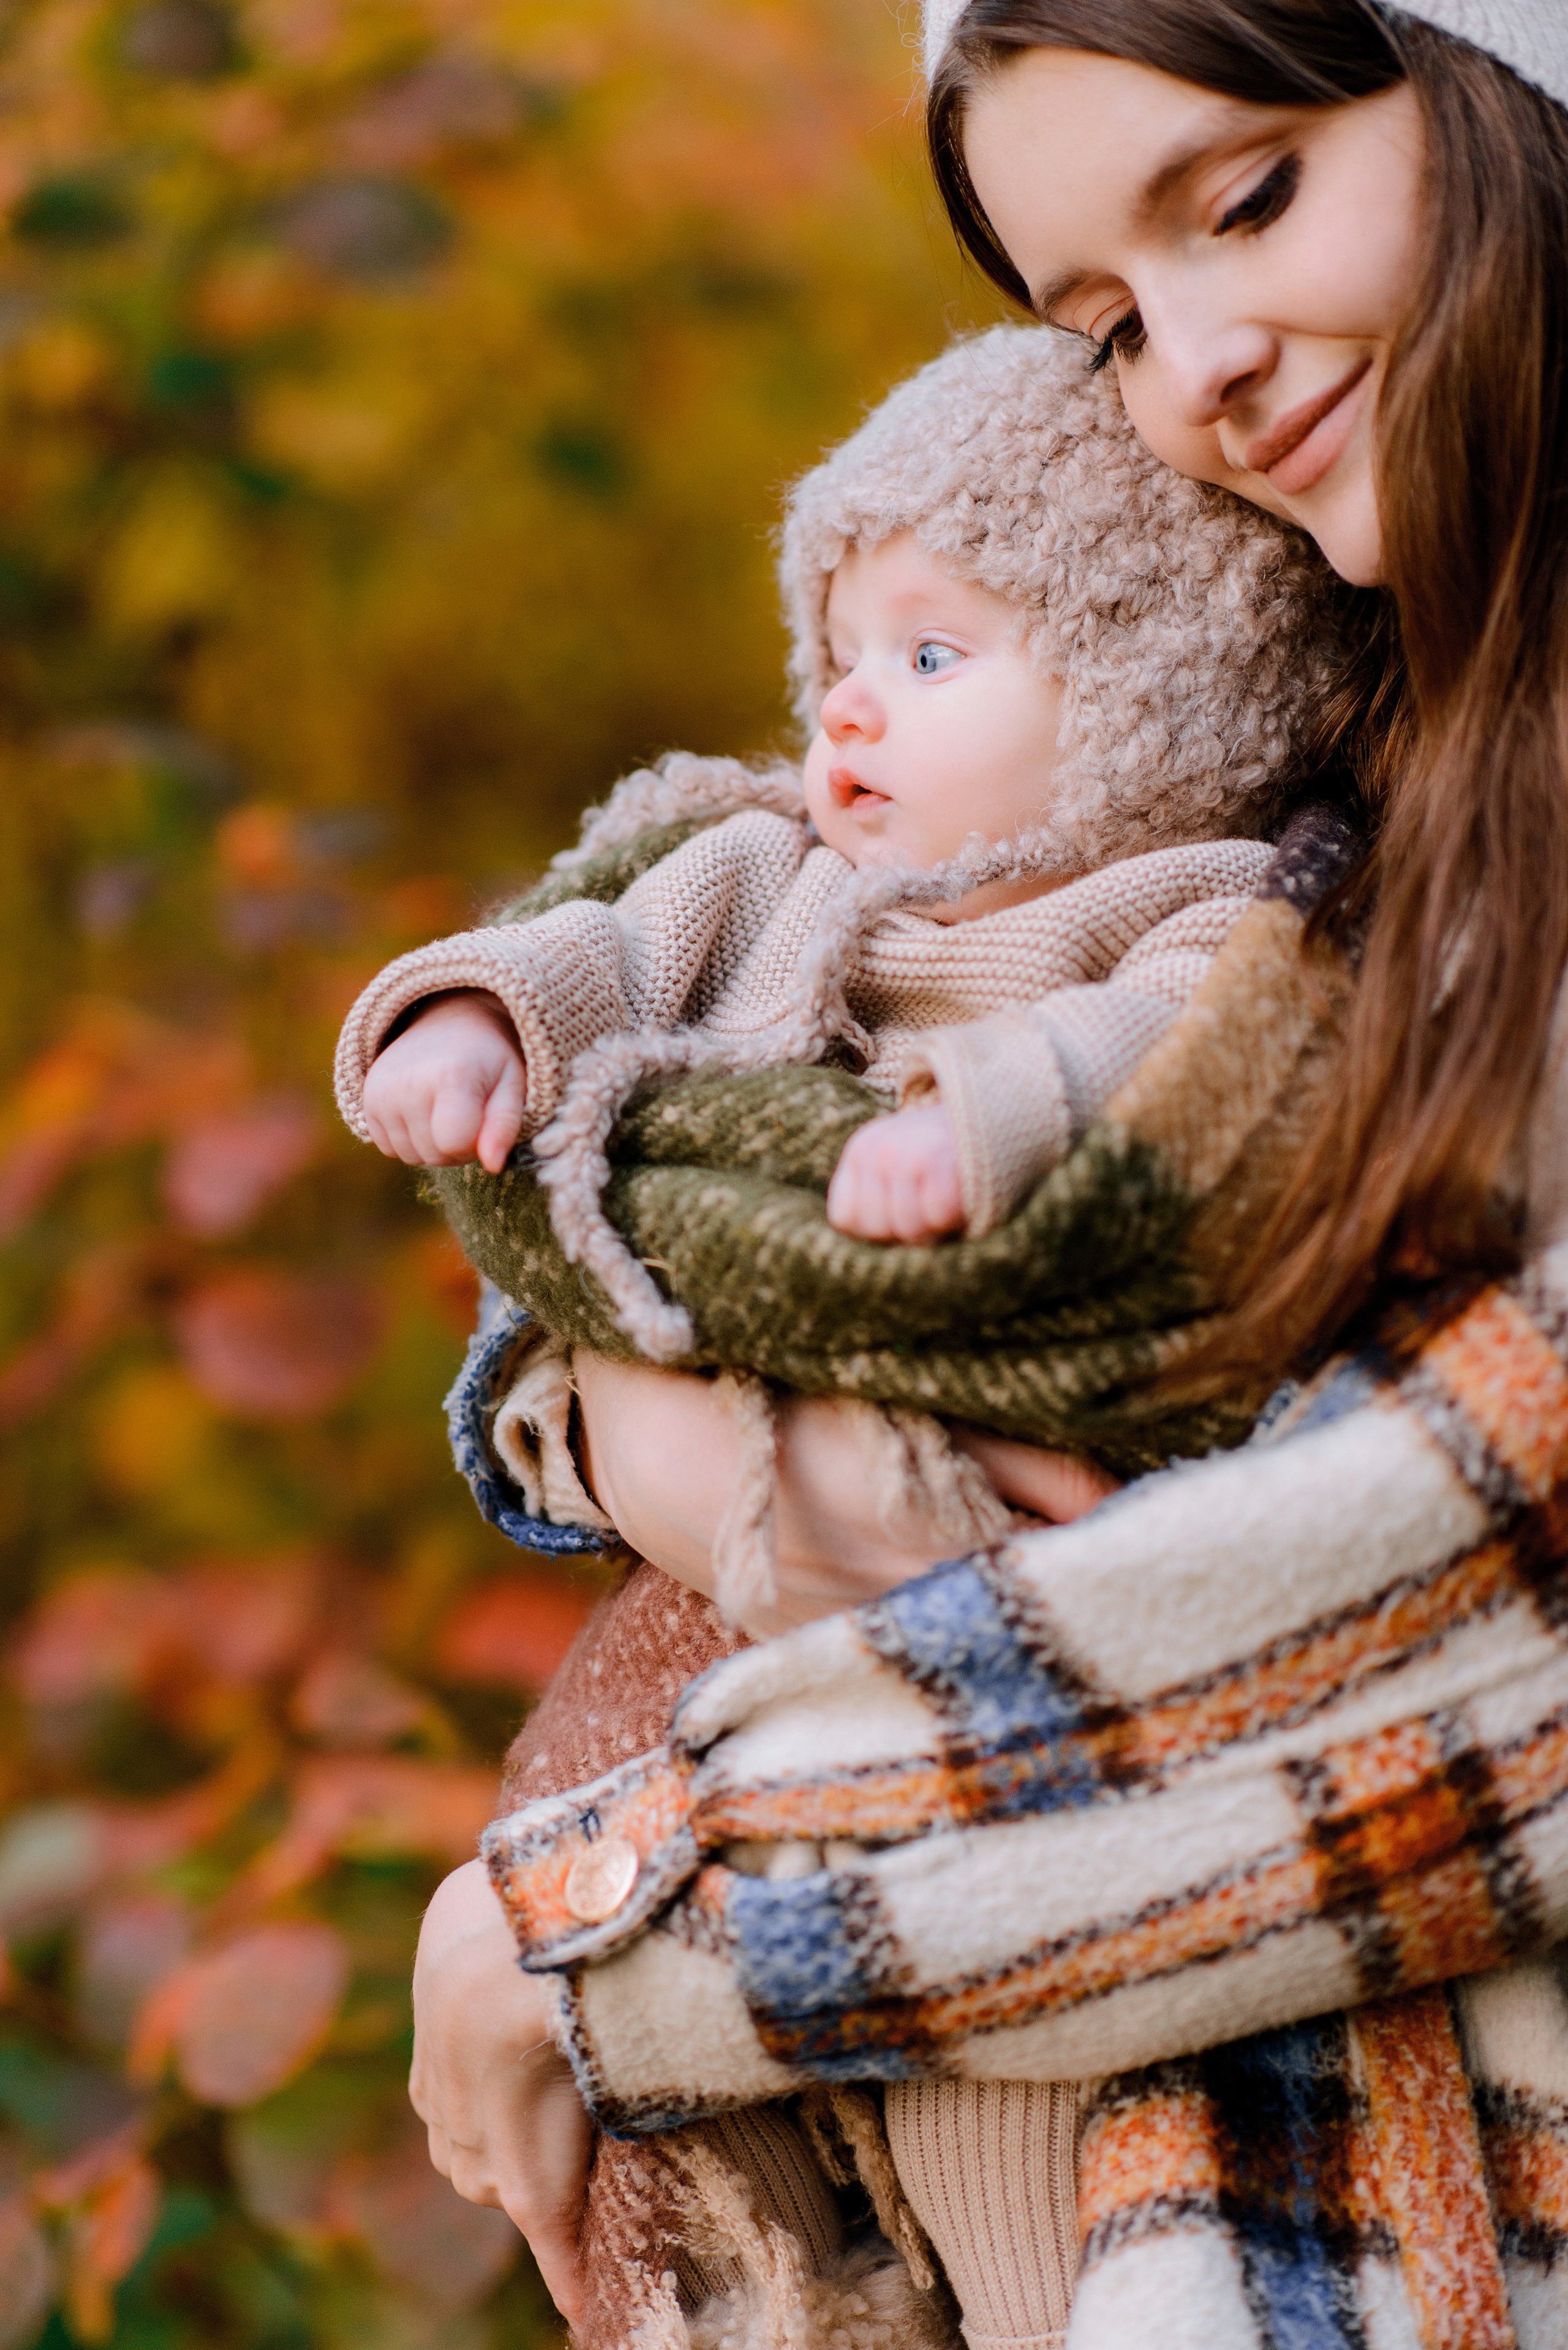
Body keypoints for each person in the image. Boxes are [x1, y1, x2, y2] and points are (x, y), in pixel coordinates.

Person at [410, 6, 1568, 2348]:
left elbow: (1491, 1608)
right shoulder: (1403, 755)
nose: (1208, 364)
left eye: (1246, 197)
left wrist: (619, 1916)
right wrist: (659, 1426)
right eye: (1112, 324)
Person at [337, 324, 1349, 2349]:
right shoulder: (771, 871)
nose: (854, 713)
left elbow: (1177, 1056)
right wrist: (465, 1025)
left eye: (935, 654)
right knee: (667, 2144)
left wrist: (980, 1121)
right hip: (697, 1605)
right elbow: (597, 952)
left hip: (995, 1599)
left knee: (1009, 2146)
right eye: (842, 656)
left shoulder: (1196, 901)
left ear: (1157, 689)